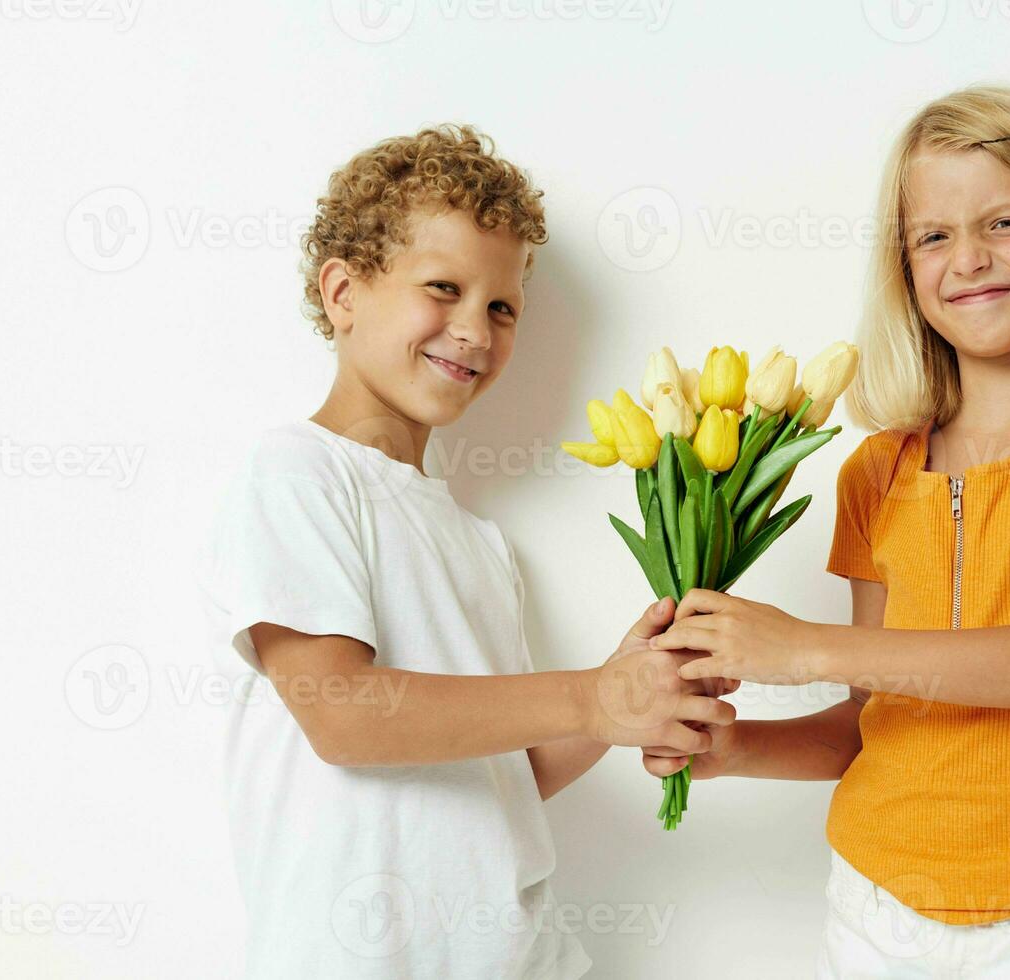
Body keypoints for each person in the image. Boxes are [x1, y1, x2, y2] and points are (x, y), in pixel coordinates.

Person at [644, 85, 1010, 978]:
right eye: (933, 236)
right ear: (905, 270)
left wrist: (803, 648)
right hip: (874, 914)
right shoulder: (879, 470)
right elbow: (871, 723)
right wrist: (731, 746)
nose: (967, 259)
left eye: (1005, 222)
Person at [195, 124, 732, 980]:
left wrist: (625, 696)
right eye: (441, 289)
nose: (474, 332)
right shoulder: (297, 473)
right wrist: (590, 697)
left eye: (501, 307)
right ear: (342, 292)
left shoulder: (478, 543)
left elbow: (501, 777)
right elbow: (342, 713)